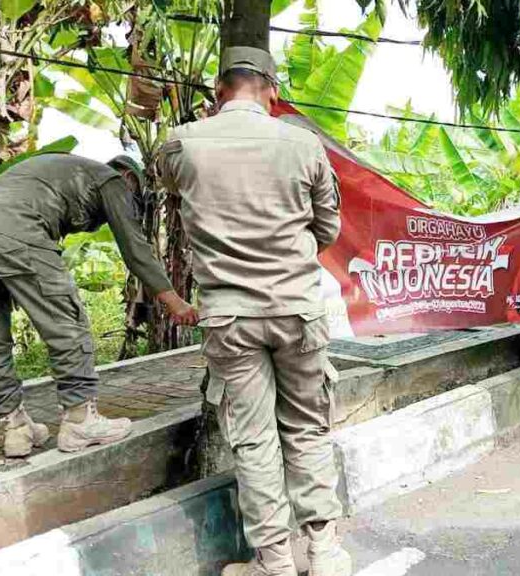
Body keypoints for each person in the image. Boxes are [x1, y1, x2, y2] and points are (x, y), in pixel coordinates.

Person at [157, 46, 349, 576]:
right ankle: (326, 553)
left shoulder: (182, 143)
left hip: (229, 317)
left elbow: (175, 193)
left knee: (254, 440)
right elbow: (328, 228)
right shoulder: (303, 144)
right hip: (296, 311)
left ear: (219, 91)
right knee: (307, 430)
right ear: (273, 92)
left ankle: (275, 563)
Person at [0, 154, 197, 457]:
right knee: (66, 323)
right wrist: (175, 302)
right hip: (15, 232)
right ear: (131, 181)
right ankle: (80, 421)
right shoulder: (114, 180)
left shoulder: (62, 171)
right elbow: (135, 249)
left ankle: (16, 427)